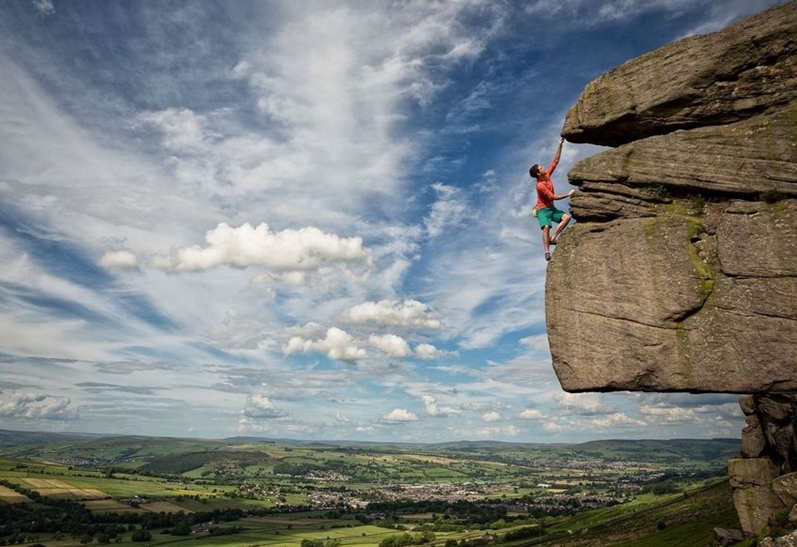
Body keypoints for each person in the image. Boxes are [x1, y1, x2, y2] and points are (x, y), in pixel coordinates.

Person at [530, 136, 574, 261]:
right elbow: (552, 196)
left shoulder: (547, 175)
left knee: (567, 217)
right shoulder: (540, 185)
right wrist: (568, 194)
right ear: (538, 173)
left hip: (551, 208)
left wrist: (560, 144)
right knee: (546, 227)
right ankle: (547, 251)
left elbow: (555, 161)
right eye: (541, 168)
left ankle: (553, 238)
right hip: (542, 210)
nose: (543, 168)